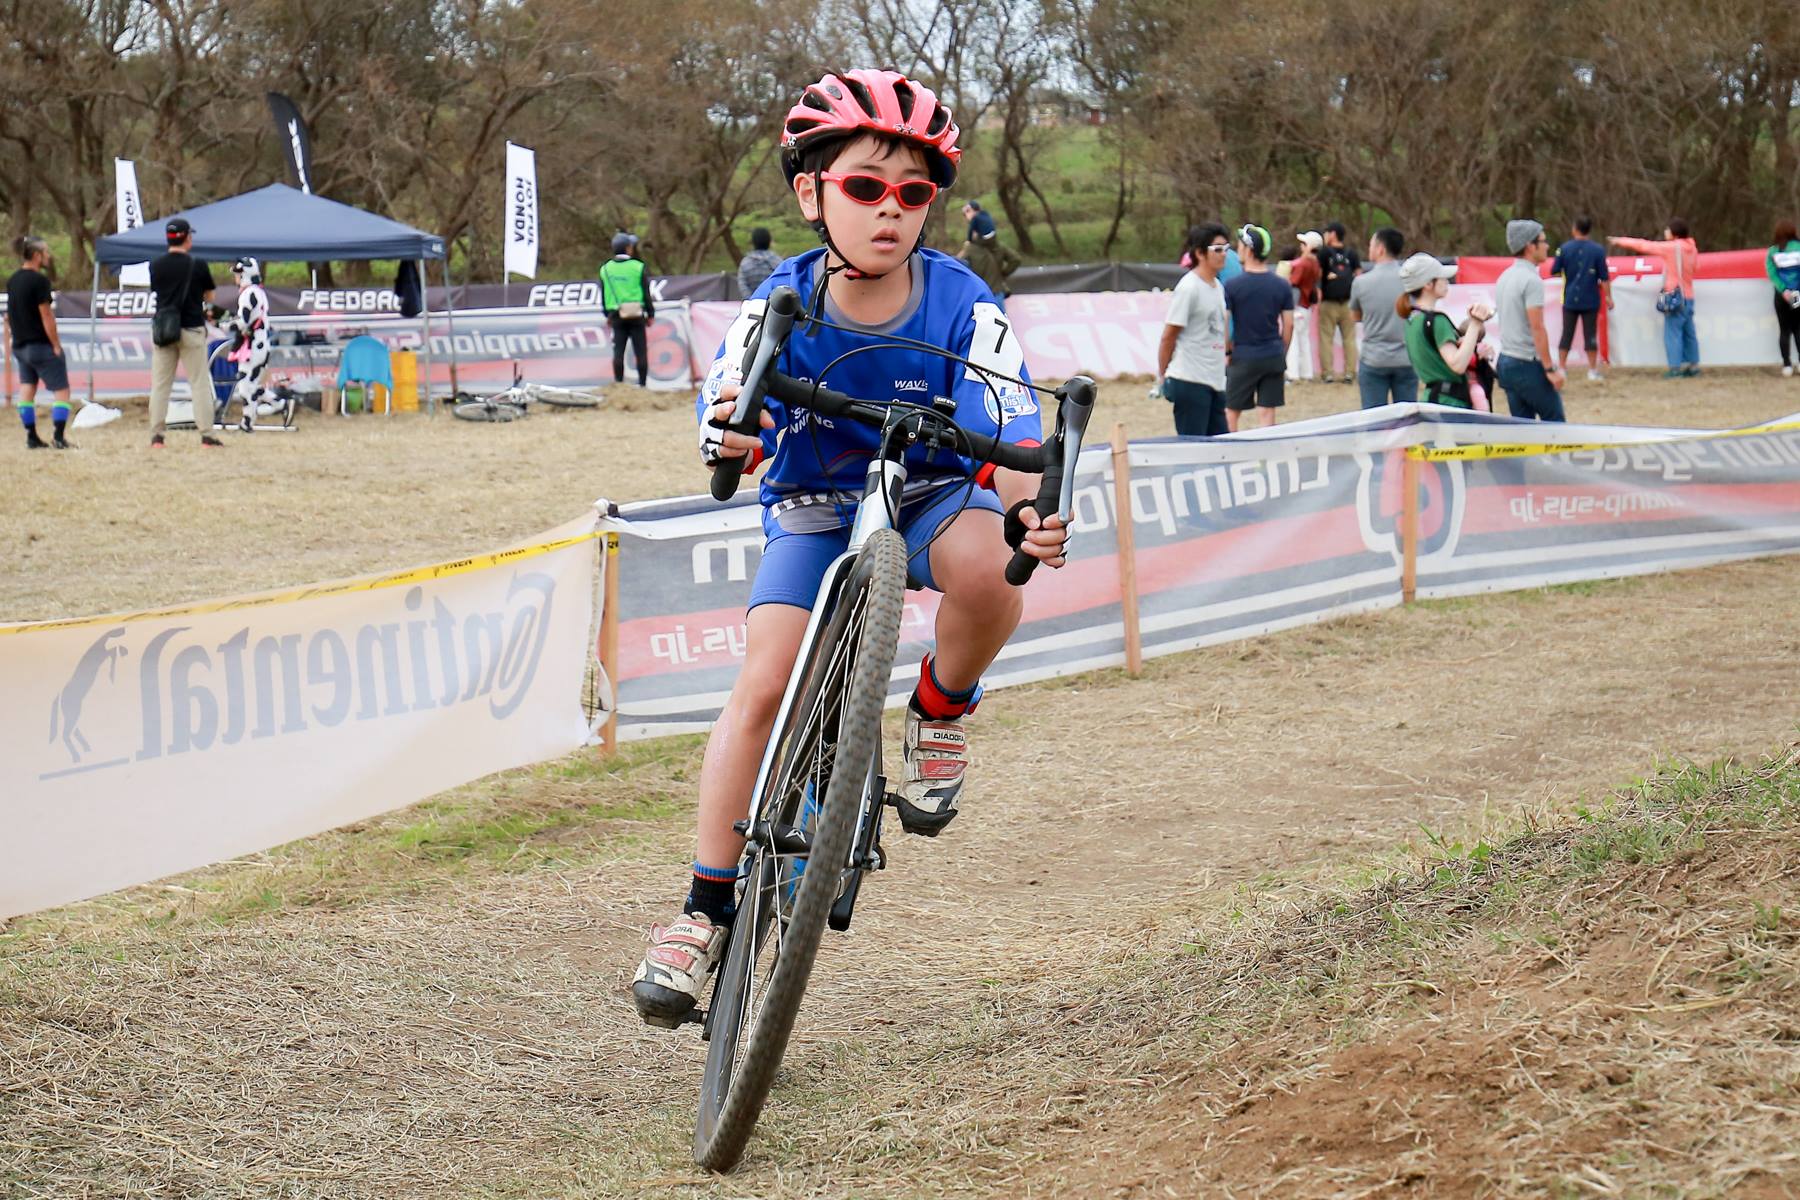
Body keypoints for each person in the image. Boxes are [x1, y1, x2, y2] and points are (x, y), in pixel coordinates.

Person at [631, 68, 1069, 1027]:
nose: (892, 212)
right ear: (810, 193)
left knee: (997, 576)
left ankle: (941, 706)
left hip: (932, 491)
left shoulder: (961, 298)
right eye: (866, 187)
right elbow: (726, 411)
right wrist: (732, 435)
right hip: (815, 505)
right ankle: (702, 910)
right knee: (762, 684)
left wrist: (1033, 507)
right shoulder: (780, 302)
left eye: (915, 195)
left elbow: (1015, 414)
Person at [147, 218, 221, 448]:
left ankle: (157, 435)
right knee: (198, 382)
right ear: (187, 237)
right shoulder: (198, 265)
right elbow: (210, 297)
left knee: (160, 384)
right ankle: (207, 434)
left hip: (164, 330)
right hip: (191, 328)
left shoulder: (156, 265)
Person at [1156, 223, 1230, 435]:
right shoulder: (1189, 288)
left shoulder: (1217, 286)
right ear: (1199, 253)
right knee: (1193, 451)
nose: (1223, 254)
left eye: (1226, 249)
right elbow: (1169, 336)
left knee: (1221, 448)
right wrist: (1163, 375)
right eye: (1217, 249)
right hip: (1190, 380)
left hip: (1215, 381)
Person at [1397, 253, 1495, 408]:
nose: (1446, 281)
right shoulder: (1437, 320)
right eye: (1441, 277)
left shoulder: (1412, 320)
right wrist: (1476, 323)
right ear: (1428, 284)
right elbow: (1457, 364)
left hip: (1432, 400)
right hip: (1451, 403)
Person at [1221, 223, 1293, 431]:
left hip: (1243, 355)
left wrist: (1228, 349)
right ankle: (1265, 459)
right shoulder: (1281, 285)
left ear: (1248, 249)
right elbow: (1288, 324)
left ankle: (1231, 456)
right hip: (1273, 355)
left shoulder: (1233, 286)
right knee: (1267, 412)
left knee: (1232, 411)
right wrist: (1282, 350)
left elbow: (1225, 323)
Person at [1494, 219, 1566, 421]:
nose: (1547, 245)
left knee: (1523, 431)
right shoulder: (1531, 280)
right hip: (1526, 363)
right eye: (1543, 241)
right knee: (1555, 425)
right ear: (1529, 246)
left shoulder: (1505, 277)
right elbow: (1537, 327)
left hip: (1506, 361)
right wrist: (1549, 369)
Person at [5, 236, 73, 449]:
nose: (48, 256)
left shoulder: (13, 280)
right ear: (36, 256)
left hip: (20, 345)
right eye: (45, 252)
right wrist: (56, 344)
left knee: (27, 388)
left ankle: (31, 436)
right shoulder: (40, 281)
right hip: (40, 344)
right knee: (61, 390)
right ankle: (59, 437)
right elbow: (46, 316)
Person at [1609, 219, 1699, 378]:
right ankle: (1693, 366)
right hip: (1689, 296)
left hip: (1675, 297)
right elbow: (1694, 268)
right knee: (1689, 333)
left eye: (1667, 229)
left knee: (1673, 334)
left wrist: (1620, 241)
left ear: (1674, 233)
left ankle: (1675, 369)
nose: (1665, 232)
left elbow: (1645, 246)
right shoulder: (1692, 248)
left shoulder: (1672, 248)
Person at [1350, 227, 1417, 408]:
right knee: (1408, 420)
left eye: (1371, 245)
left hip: (1374, 357)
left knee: (1374, 422)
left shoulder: (1361, 282)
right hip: (1406, 357)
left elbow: (1355, 315)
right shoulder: (1411, 281)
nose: (1369, 248)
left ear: (1380, 249)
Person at [220, 257, 289, 431]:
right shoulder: (257, 292)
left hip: (254, 345)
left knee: (246, 386)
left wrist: (223, 325)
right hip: (255, 343)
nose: (235, 278)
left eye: (238, 274)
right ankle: (278, 404)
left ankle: (249, 421)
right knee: (250, 384)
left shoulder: (248, 293)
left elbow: (243, 322)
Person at [1550, 216, 1611, 381]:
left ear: (1574, 229)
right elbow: (1604, 277)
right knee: (1590, 334)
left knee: (1566, 333)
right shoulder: (1598, 250)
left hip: (1570, 297)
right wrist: (1608, 297)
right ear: (1589, 230)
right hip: (1591, 298)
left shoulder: (1564, 248)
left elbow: (1554, 269)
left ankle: (1562, 368)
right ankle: (1592, 370)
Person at [599, 231, 654, 387]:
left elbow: (603, 294)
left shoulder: (605, 269)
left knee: (618, 352)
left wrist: (607, 314)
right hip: (636, 313)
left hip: (616, 314)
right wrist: (650, 313)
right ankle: (642, 385)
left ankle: (619, 384)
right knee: (640, 352)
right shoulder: (638, 267)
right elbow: (646, 293)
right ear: (628, 248)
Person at [1314, 221, 1360, 383]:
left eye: (1326, 233)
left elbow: (1318, 275)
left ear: (1332, 234)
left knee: (1326, 338)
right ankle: (1350, 372)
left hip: (1329, 301)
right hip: (1348, 302)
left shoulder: (1324, 253)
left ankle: (1328, 373)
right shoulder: (1352, 254)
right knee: (1349, 338)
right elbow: (1358, 276)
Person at [1765, 219, 1800, 377]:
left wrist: (1784, 290)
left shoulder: (1773, 251)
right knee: (1798, 328)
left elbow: (1772, 274)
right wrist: (1794, 290)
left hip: (1781, 296)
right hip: (1797, 294)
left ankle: (1786, 365)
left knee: (1784, 330)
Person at [1286, 231, 1322, 382]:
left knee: (1294, 340)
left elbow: (1292, 282)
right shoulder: (1316, 264)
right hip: (1306, 306)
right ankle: (1307, 372)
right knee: (1304, 339)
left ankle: (1293, 373)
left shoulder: (1302, 264)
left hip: (1298, 305)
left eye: (1304, 244)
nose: (1301, 247)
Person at [957, 226, 1020, 310]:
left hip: (979, 293)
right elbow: (1015, 259)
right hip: (997, 291)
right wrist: (1003, 273)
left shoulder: (970, 249)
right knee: (1000, 320)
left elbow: (957, 265)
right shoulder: (998, 246)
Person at [736, 227, 782, 299]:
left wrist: (751, 301)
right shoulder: (777, 262)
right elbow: (782, 283)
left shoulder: (745, 263)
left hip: (752, 306)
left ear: (753, 242)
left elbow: (743, 287)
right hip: (773, 305)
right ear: (769, 241)